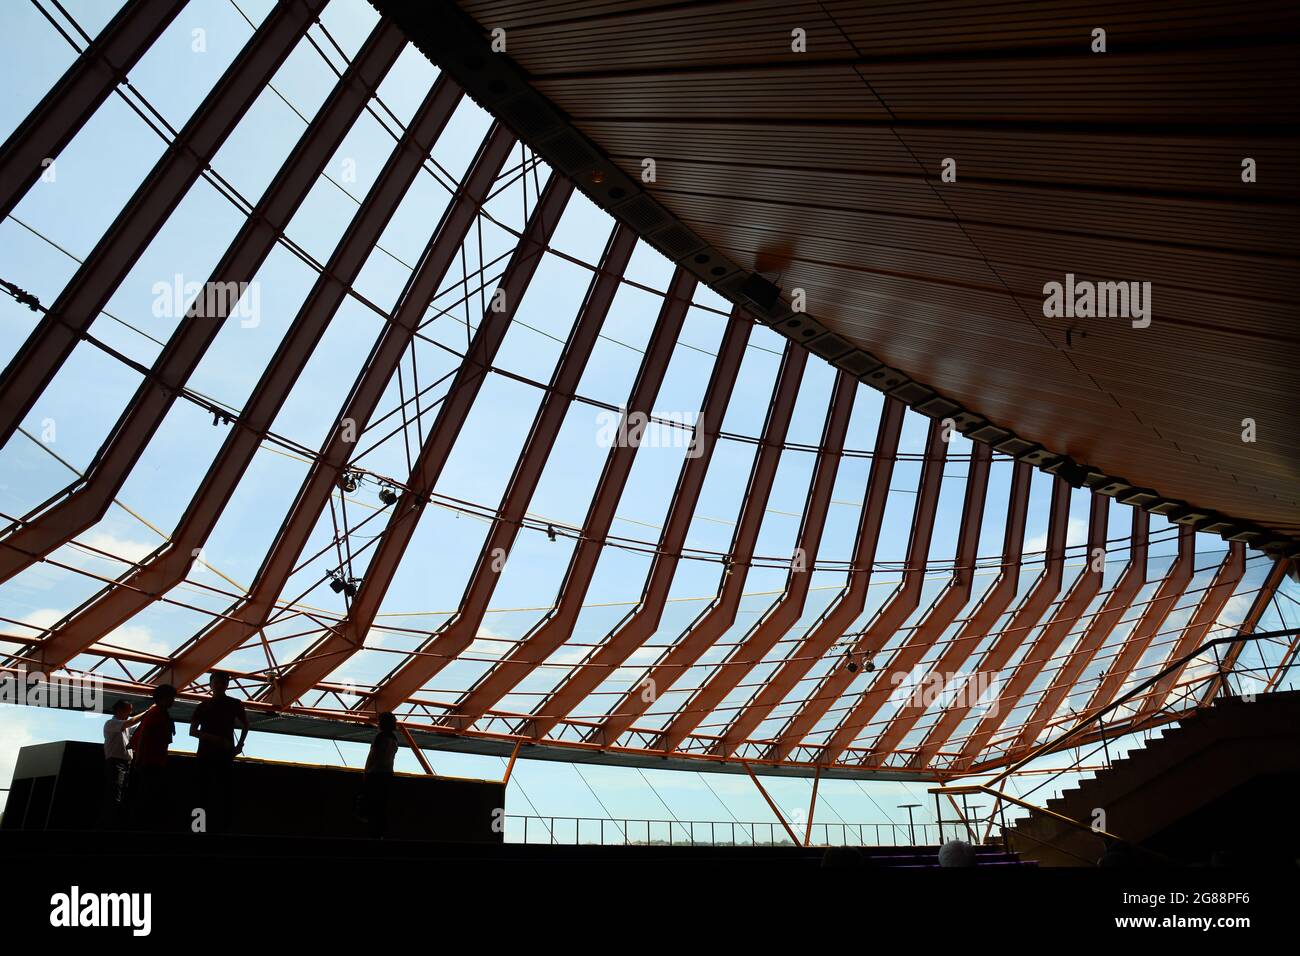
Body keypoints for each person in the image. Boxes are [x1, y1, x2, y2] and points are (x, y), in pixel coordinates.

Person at [189, 671, 248, 834]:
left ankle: (198, 828)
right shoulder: (234, 704)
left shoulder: (203, 706)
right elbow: (245, 725)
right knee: (224, 791)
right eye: (218, 682)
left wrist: (210, 738)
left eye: (221, 682)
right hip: (224, 753)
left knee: (203, 791)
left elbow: (193, 731)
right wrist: (237, 746)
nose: (219, 685)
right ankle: (223, 828)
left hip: (206, 753)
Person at [128, 684, 176, 830]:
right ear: (163, 698)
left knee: (147, 793)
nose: (173, 701)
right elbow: (144, 735)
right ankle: (142, 826)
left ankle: (140, 826)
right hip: (151, 760)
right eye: (171, 698)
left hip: (152, 760)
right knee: (148, 794)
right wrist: (140, 758)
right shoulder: (157, 713)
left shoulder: (158, 713)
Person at [100, 699, 148, 827]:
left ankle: (114, 822)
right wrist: (147, 713)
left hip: (124, 765)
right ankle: (109, 824)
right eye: (128, 710)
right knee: (115, 795)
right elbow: (131, 722)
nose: (130, 712)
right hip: (116, 764)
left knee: (120, 794)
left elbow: (135, 726)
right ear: (119, 710)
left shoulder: (123, 727)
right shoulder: (111, 723)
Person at [359, 712, 399, 839]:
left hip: (375, 775)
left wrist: (366, 773)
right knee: (381, 807)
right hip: (387, 775)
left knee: (372, 806)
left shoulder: (380, 736)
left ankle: (372, 834)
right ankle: (380, 834)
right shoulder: (394, 738)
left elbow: (372, 756)